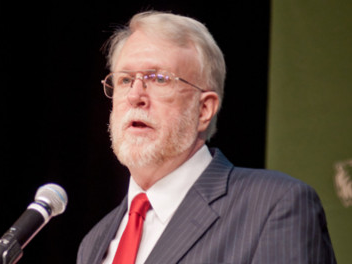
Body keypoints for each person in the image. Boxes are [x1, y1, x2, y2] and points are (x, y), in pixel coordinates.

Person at [77, 11, 336, 264]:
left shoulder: (275, 205)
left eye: (157, 79)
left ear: (204, 110)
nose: (135, 96)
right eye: (124, 80)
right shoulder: (94, 242)